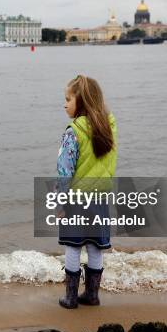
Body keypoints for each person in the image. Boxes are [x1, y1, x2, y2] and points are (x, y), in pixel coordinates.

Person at [56, 74, 117, 309]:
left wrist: (60, 201)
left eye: (68, 99)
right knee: (95, 246)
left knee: (72, 246)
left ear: (81, 102)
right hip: (100, 198)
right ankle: (92, 295)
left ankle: (71, 297)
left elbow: (64, 171)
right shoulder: (109, 125)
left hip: (76, 199)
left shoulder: (73, 132)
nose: (64, 104)